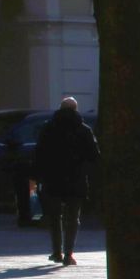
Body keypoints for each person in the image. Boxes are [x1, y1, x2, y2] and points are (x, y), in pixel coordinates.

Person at [31, 97, 97, 266]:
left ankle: (56, 251)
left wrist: (39, 176)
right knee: (73, 217)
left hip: (53, 178)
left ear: (60, 109)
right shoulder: (84, 130)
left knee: (54, 216)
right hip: (76, 178)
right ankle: (69, 253)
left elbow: (39, 154)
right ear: (76, 109)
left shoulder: (48, 128)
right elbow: (93, 156)